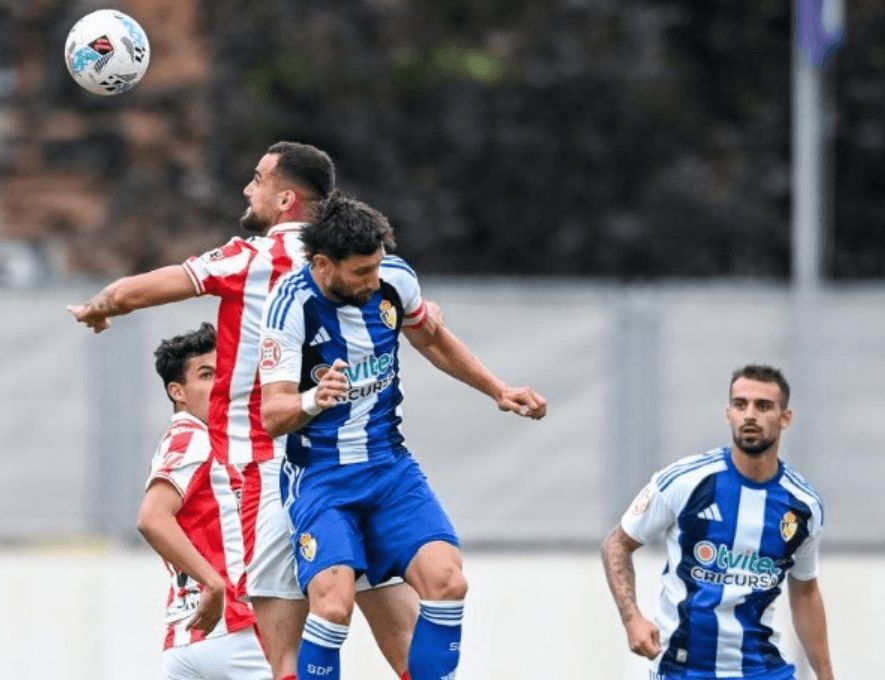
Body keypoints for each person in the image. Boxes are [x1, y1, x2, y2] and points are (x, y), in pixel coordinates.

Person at [68, 142, 418, 680]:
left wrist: (100, 306)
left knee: (281, 653)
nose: (245, 189)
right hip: (355, 461)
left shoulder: (251, 258)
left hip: (269, 467)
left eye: (256, 179)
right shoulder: (368, 266)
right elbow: (424, 320)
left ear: (284, 199)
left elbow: (143, 289)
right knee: (401, 638)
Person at [257, 192, 549, 680]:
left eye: (376, 267)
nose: (373, 281)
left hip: (389, 468)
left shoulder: (395, 277)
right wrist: (312, 399)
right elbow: (272, 414)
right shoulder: (290, 305)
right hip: (320, 476)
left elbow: (430, 338)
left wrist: (497, 389)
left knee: (448, 581)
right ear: (323, 264)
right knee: (332, 606)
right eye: (360, 273)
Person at [600, 364, 834, 680]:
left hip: (761, 669)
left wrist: (826, 675)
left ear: (785, 418)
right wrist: (632, 619)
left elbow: (805, 591)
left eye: (763, 406)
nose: (750, 414)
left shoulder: (803, 505)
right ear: (728, 414)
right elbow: (617, 543)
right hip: (684, 668)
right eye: (741, 404)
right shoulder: (686, 481)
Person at [138, 322, 272, 679]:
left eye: (222, 372)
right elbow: (152, 518)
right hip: (233, 630)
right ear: (177, 391)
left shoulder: (211, 442)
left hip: (187, 638)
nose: (219, 384)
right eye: (206, 374)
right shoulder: (192, 437)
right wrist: (213, 582)